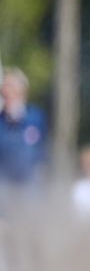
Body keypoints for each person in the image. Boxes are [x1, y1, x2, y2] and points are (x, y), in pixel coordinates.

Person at [0, 67, 46, 207]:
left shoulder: (35, 116)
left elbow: (42, 150)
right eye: (4, 89)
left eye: (12, 88)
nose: (7, 92)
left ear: (23, 92)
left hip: (30, 186)